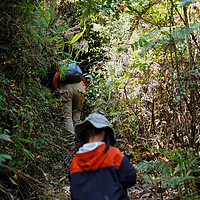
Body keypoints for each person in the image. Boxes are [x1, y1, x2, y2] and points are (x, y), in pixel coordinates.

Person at [69, 113, 137, 200]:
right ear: (105, 132)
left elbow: (75, 191)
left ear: (85, 133)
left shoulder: (74, 163)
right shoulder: (114, 155)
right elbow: (131, 178)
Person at [53, 60, 86, 146]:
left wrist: (58, 91)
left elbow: (55, 81)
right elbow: (83, 79)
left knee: (67, 116)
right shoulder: (76, 68)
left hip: (66, 90)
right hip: (80, 88)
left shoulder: (61, 68)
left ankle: (70, 140)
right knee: (77, 114)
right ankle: (80, 138)